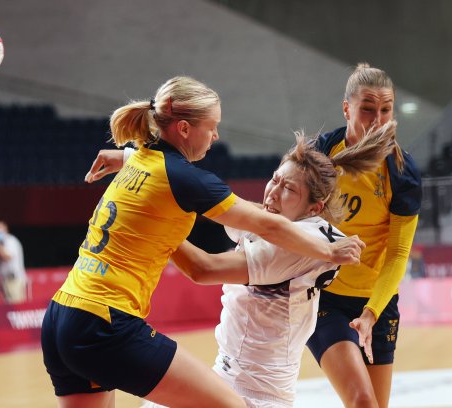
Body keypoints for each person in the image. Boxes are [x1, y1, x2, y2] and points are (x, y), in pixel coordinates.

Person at [41, 76, 364, 408]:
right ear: (184, 129)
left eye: (289, 188)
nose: (216, 136)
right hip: (104, 322)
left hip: (62, 316)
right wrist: (330, 251)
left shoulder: (142, 161)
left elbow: (258, 222)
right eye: (212, 126)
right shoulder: (186, 178)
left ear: (315, 207)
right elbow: (266, 225)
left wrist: (130, 172)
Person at [141, 121, 396, 408]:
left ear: (314, 208)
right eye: (274, 179)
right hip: (226, 381)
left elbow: (203, 269)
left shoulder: (298, 245)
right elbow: (226, 207)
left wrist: (154, 220)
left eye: (288, 188)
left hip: (255, 397)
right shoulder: (277, 220)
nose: (272, 193)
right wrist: (135, 161)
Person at [305, 63, 422, 408]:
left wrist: (371, 313)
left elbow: (398, 254)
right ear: (346, 109)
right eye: (367, 109)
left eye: (386, 110)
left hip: (377, 303)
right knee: (361, 401)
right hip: (323, 296)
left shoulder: (402, 171)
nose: (377, 119)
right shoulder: (321, 155)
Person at [0, 220, 27, 304]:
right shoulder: (1, 243)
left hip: (14, 280)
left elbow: (7, 257)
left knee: (16, 307)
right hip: (5, 280)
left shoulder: (11, 241)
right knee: (7, 308)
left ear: (5, 228)